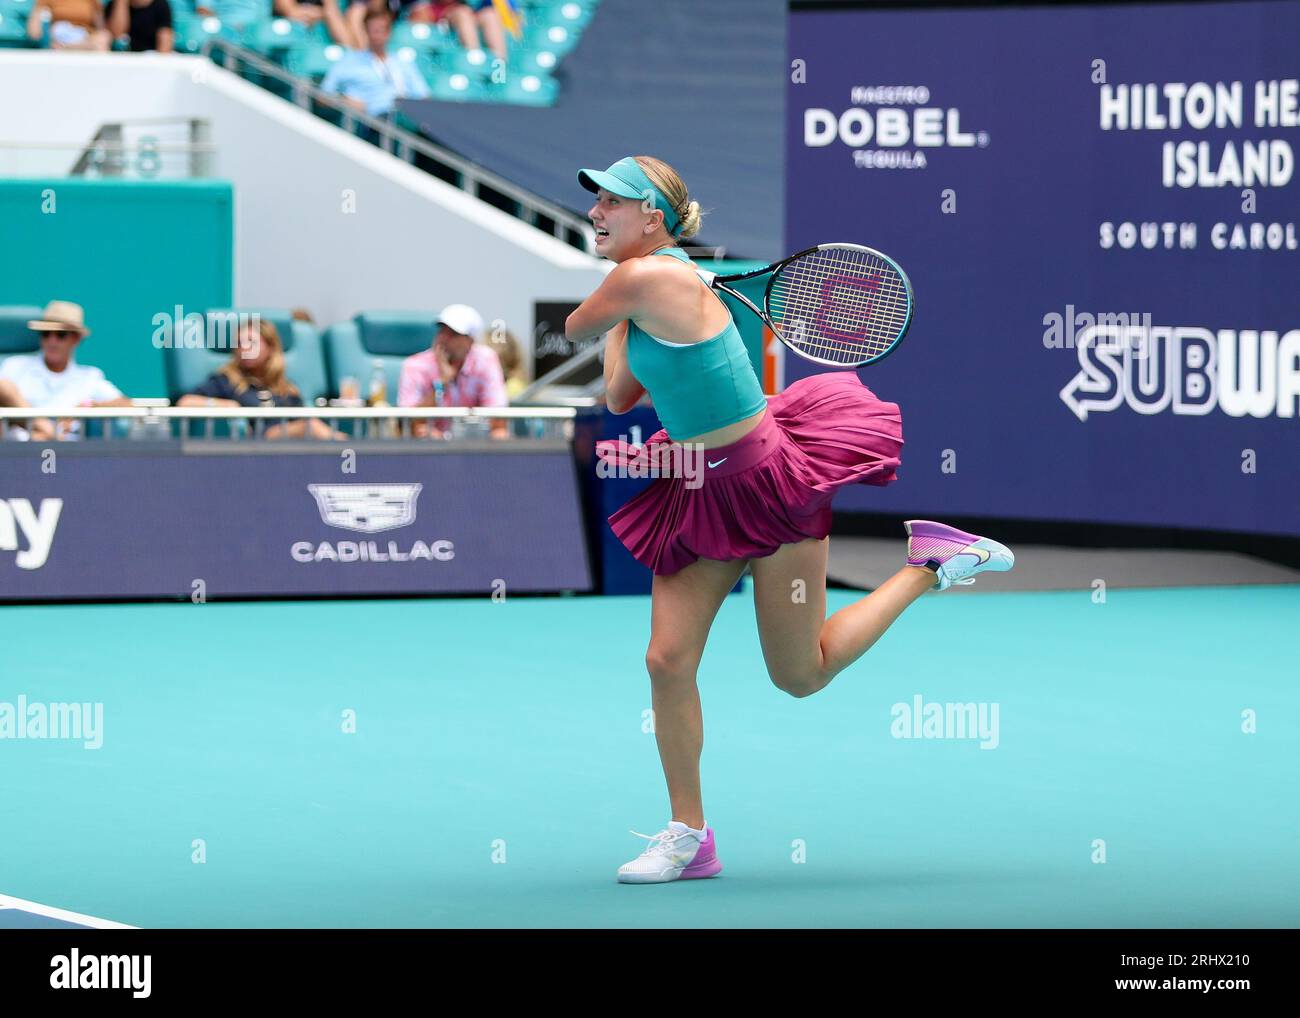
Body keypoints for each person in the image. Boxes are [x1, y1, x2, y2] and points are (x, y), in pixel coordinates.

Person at [565, 155, 1017, 884]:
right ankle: (689, 835)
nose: (594, 214)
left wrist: (624, 304)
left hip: (768, 482)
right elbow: (619, 395)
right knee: (665, 660)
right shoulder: (653, 282)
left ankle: (927, 565)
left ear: (652, 216)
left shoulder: (645, 278)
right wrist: (629, 316)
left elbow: (575, 322)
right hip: (696, 486)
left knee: (800, 676)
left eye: (610, 203)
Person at [176, 319, 343, 440]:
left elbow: (299, 418)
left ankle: (349, 447)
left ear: (270, 347)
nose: (244, 348)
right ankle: (349, 449)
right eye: (240, 343)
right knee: (310, 425)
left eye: (251, 342)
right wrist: (226, 405)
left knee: (311, 424)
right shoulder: (227, 380)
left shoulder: (285, 387)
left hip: (289, 451)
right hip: (254, 446)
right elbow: (185, 402)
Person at [0, 301, 130, 441]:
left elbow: (126, 403)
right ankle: (51, 433)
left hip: (67, 455)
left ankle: (49, 435)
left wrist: (91, 407)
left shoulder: (89, 377)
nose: (52, 341)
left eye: (60, 335)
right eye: (46, 334)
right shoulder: (15, 365)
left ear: (76, 338)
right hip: (15, 452)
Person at [397, 304, 509, 439]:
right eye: (442, 331)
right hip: (429, 450)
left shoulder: (486, 360)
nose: (443, 338)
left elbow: (498, 420)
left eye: (453, 334)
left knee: (501, 435)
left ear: (470, 341)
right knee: (421, 432)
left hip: (473, 447)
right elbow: (409, 422)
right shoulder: (415, 365)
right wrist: (442, 382)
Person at [320, 6, 430, 119]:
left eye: (381, 30)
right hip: (370, 121)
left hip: (404, 118)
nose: (377, 36)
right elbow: (324, 96)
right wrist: (344, 100)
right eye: (373, 30)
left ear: (389, 32)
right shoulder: (350, 60)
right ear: (366, 31)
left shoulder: (402, 62)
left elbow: (422, 96)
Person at [28, 0, 111, 50]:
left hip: (84, 39)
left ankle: (67, 48)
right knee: (59, 28)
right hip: (59, 37)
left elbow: (100, 27)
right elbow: (34, 32)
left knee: (104, 38)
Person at [105, 0, 173, 52]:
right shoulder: (113, 5)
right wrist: (121, 3)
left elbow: (165, 41)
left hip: (151, 57)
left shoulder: (160, 5)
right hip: (123, 58)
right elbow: (117, 35)